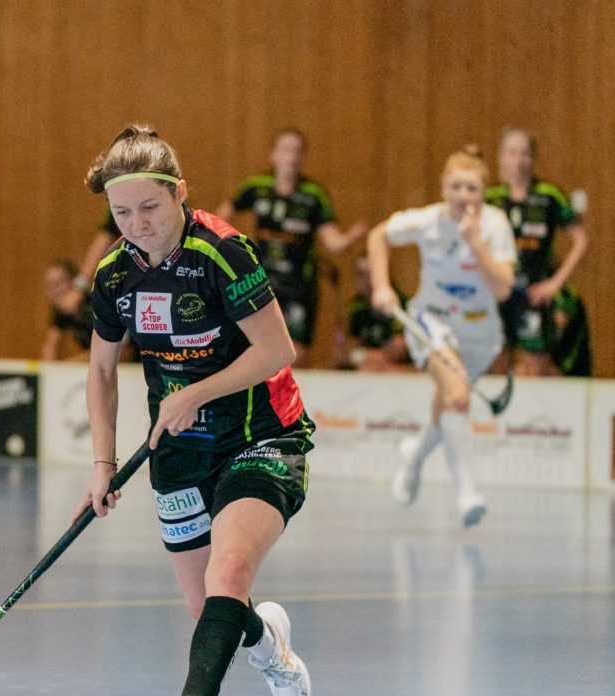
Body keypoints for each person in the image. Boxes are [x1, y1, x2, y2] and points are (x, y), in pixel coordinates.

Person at [77, 125, 315, 696]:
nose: (138, 225)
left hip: (262, 433)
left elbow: (277, 350)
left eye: (150, 207)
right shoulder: (116, 272)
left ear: (180, 193)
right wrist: (102, 464)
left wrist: (196, 393)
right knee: (208, 605)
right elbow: (101, 370)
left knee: (228, 573)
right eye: (122, 213)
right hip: (180, 451)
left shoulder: (224, 253)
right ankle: (269, 645)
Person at [368, 145, 516, 527]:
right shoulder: (426, 220)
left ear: (484, 191)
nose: (464, 196)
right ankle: (466, 492)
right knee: (459, 395)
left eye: (472, 188)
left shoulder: (496, 225)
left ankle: (413, 457)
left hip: (481, 332)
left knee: (449, 403)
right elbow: (378, 235)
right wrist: (382, 285)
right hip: (431, 322)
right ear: (444, 188)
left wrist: (476, 243)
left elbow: (502, 289)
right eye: (457, 187)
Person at [216, 128, 366, 367]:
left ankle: (291, 402)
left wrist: (350, 237)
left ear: (303, 158)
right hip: (260, 281)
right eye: (285, 150)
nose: (291, 157)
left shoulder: (314, 194)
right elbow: (220, 221)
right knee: (253, 345)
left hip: (299, 285)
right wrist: (231, 252)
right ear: (273, 155)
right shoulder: (257, 186)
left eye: (297, 151)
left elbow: (333, 242)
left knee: (296, 354)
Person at [485, 128, 589, 377]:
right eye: (512, 153)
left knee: (534, 368)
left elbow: (581, 241)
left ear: (532, 159)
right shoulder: (491, 199)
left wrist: (554, 284)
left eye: (525, 154)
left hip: (532, 296)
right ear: (501, 157)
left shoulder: (548, 196)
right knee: (494, 365)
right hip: (498, 296)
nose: (519, 161)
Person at [338, 255, 411, 372]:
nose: (366, 280)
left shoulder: (398, 303)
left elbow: (399, 349)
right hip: (370, 363)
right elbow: (350, 347)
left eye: (371, 274)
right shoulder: (358, 306)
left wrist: (362, 356)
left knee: (387, 370)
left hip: (399, 367)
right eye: (361, 274)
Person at [40, 258, 93, 361]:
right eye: (49, 286)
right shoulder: (60, 312)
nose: (54, 291)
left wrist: (68, 366)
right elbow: (51, 346)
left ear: (75, 282)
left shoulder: (97, 305)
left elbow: (122, 353)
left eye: (59, 283)